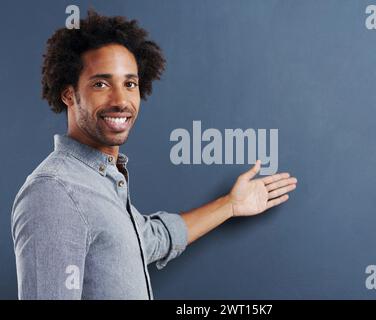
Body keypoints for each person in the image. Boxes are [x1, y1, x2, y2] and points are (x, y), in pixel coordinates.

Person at [11, 10, 297, 300]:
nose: (121, 100)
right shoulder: (54, 192)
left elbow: (150, 239)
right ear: (69, 94)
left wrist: (231, 205)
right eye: (101, 84)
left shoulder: (102, 182)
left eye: (130, 84)